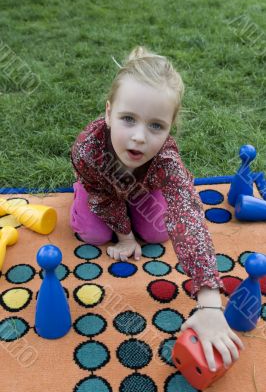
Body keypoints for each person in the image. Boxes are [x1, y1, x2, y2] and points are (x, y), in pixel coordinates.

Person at [70, 45, 244, 372]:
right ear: (108, 113)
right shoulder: (86, 150)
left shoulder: (165, 159)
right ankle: (86, 199)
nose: (138, 137)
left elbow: (188, 217)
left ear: (169, 128)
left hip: (142, 187)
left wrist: (209, 304)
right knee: (93, 234)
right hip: (101, 189)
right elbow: (106, 200)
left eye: (155, 126)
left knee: (157, 231)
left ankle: (139, 206)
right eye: (127, 119)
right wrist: (124, 237)